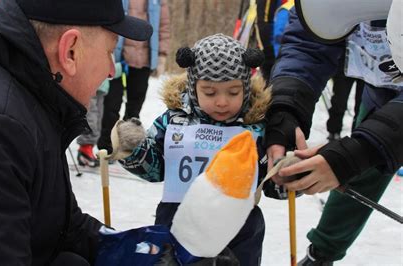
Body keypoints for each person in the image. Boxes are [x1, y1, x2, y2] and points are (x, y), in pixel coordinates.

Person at [0, 0, 152, 265]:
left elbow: (59, 226)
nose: (111, 70)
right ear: (70, 50)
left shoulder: (35, 95)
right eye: (109, 51)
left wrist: (137, 250)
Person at [112, 34, 272, 265]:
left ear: (246, 88)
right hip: (178, 219)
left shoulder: (257, 128)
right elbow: (156, 170)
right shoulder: (174, 121)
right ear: (193, 86)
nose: (222, 102)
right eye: (210, 92)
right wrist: (135, 149)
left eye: (233, 92)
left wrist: (289, 173)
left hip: (239, 227)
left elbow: (272, 182)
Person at [264, 5, 403, 266]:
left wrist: (361, 151)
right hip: (382, 86)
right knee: (362, 164)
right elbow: (309, 41)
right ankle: (322, 253)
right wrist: (286, 108)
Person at [96, 0, 171, 155]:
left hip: (143, 59)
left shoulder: (158, 2)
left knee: (134, 109)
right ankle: (106, 147)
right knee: (111, 106)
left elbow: (163, 28)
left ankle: (127, 149)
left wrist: (162, 55)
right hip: (116, 58)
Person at [77, 63, 122, 168]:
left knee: (98, 118)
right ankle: (85, 148)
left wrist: (119, 67)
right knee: (91, 116)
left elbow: (111, 70)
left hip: (102, 87)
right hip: (91, 83)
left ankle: (87, 150)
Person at [326, 60, 364, 141]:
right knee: (339, 101)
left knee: (361, 106)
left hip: (366, 66)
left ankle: (358, 135)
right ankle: (334, 132)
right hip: (345, 64)